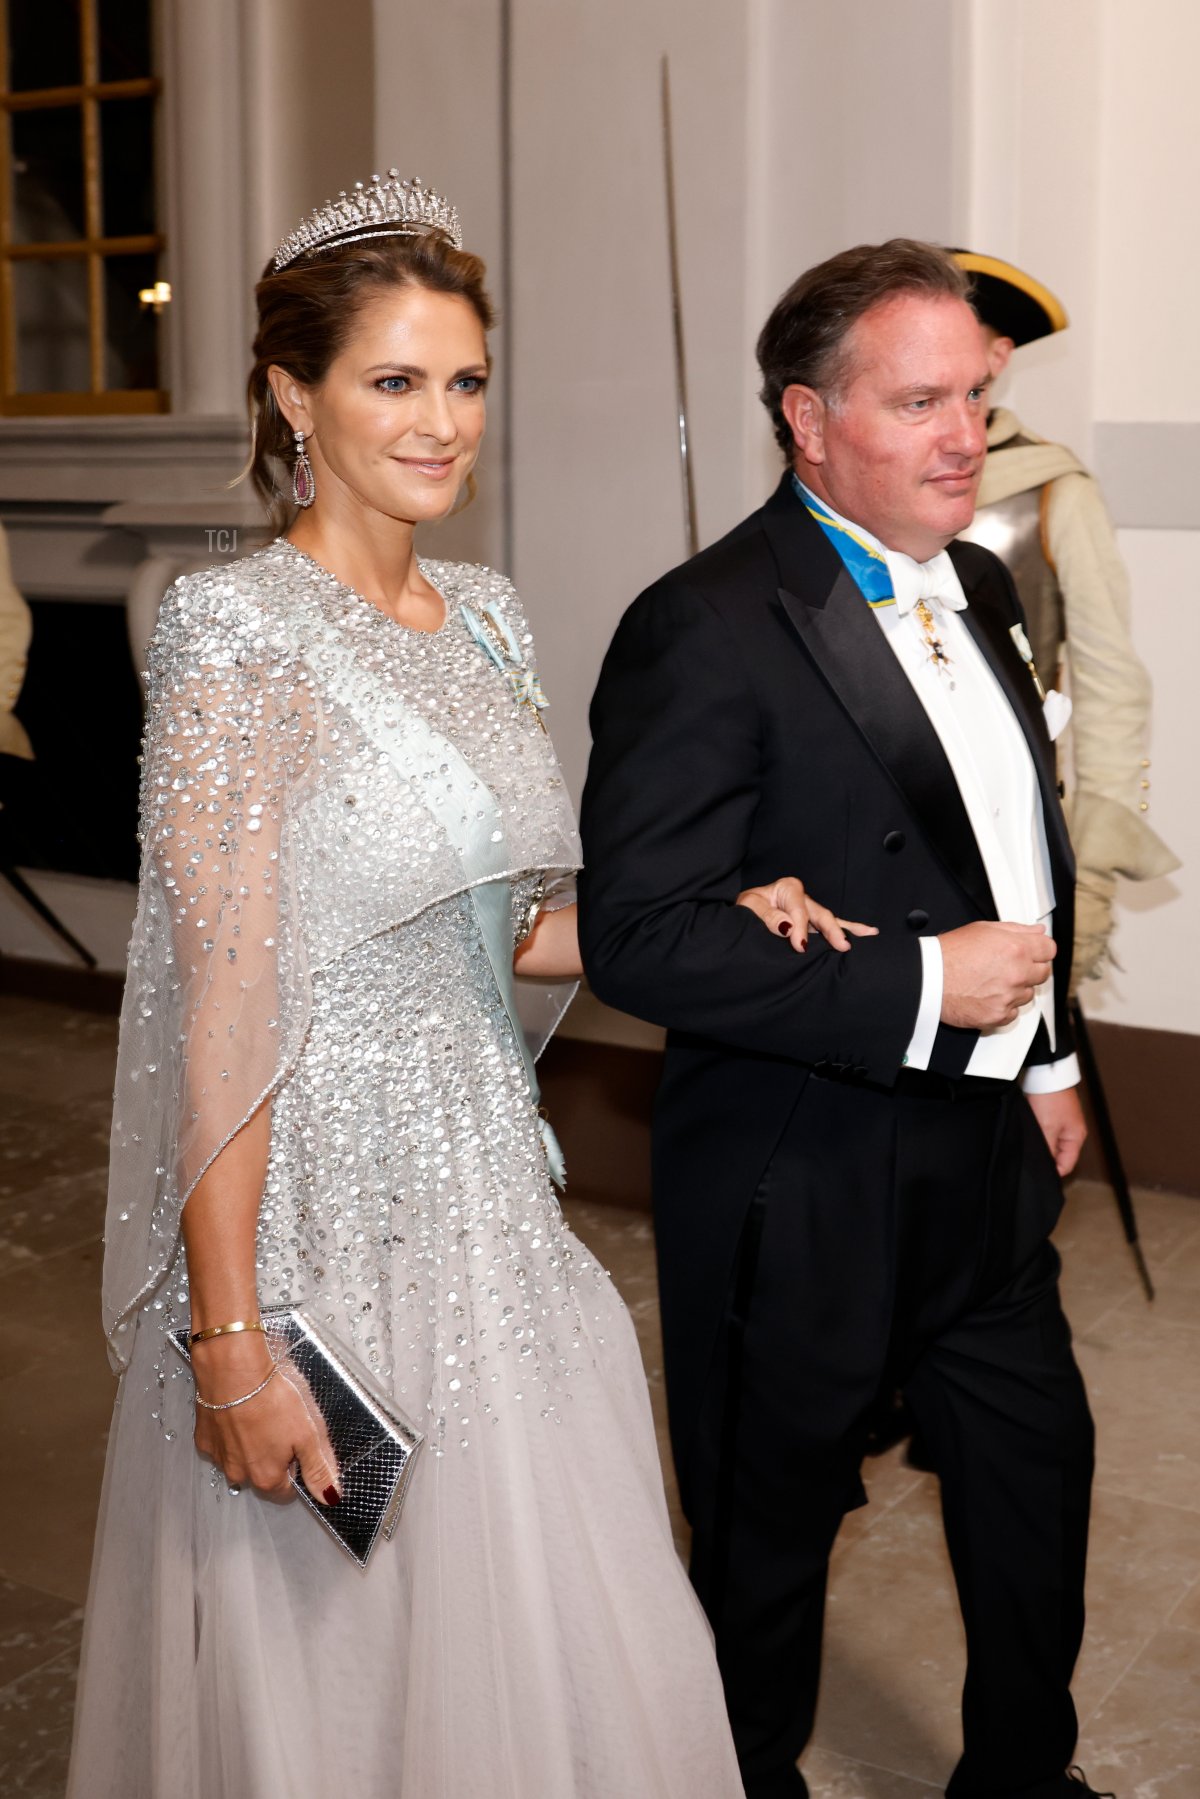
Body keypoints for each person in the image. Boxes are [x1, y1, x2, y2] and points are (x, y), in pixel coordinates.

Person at [68, 172, 771, 1799]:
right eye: (395, 380)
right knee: (343, 1658)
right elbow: (221, 1003)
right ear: (289, 392)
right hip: (316, 1212)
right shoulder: (234, 631)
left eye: (464, 380)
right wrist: (233, 1338)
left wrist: (717, 908)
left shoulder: (491, 616)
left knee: (547, 1627)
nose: (442, 421)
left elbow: (517, 930)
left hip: (491, 1207)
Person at [579, 241, 1111, 1799]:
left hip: (984, 1148)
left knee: (1036, 1470)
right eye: (921, 399)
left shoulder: (988, 579)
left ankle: (1023, 1768)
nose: (967, 434)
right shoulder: (707, 622)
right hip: (799, 1164)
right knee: (769, 1527)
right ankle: (743, 1778)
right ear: (810, 421)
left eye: (981, 397)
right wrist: (922, 981)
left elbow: (1013, 851)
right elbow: (640, 935)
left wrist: (1051, 1053)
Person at [951, 250, 1178, 984]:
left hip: (1012, 815)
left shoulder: (1054, 490)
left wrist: (1096, 867)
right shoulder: (864, 481)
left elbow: (1112, 686)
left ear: (998, 353)